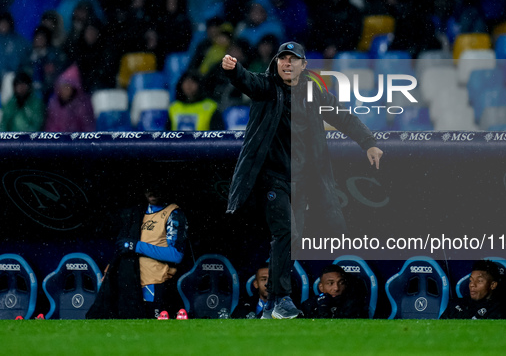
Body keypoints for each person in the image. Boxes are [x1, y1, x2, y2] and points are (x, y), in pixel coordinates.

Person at [221, 41, 383, 319]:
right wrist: (235, 71)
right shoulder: (267, 85)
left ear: (304, 65)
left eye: (293, 59)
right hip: (272, 178)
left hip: (301, 179)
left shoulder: (314, 91)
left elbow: (341, 115)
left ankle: (272, 303)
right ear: (277, 63)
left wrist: (368, 141)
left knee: (291, 237)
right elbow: (248, 82)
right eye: (283, 58)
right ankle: (282, 300)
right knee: (285, 232)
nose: (287, 63)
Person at [87, 182, 189, 319]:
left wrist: (136, 246)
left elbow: (176, 255)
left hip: (154, 282)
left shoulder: (173, 213)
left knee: (154, 330)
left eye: (156, 187)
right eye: (148, 188)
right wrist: (111, 270)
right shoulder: (136, 213)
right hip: (130, 281)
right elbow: (122, 247)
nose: (152, 192)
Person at [441, 259, 506, 319]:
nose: (472, 284)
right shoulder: (455, 304)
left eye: (479, 281)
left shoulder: (498, 310)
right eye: (471, 280)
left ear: (492, 285)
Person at [301, 264, 368, 319]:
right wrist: (323, 306)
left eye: (341, 283)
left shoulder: (353, 305)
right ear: (321, 287)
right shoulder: (309, 304)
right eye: (330, 283)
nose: (336, 288)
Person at [44, 63, 95, 132]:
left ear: (73, 88)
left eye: (67, 87)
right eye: (62, 87)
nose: (64, 90)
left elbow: (88, 127)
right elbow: (50, 125)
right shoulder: (53, 103)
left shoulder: (82, 105)